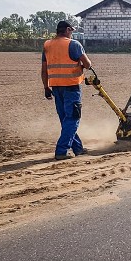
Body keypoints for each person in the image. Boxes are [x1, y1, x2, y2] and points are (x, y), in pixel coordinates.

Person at [41, 20, 92, 160]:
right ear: (68, 30)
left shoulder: (47, 45)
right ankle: (61, 150)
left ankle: (78, 149)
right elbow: (88, 64)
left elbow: (44, 71)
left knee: (66, 119)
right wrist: (81, 66)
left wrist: (46, 87)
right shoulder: (73, 44)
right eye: (72, 31)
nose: (72, 34)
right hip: (71, 87)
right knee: (73, 119)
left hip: (56, 87)